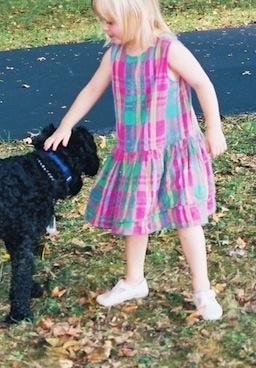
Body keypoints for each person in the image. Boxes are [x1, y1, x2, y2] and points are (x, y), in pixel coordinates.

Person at [44, 0, 227, 320]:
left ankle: (202, 289)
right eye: (103, 21)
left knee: (187, 219)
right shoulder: (114, 56)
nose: (105, 28)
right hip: (137, 154)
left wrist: (214, 129)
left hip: (174, 152)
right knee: (135, 217)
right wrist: (66, 123)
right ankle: (134, 280)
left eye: (110, 22)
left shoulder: (168, 50)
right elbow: (91, 90)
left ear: (134, 17)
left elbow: (203, 84)